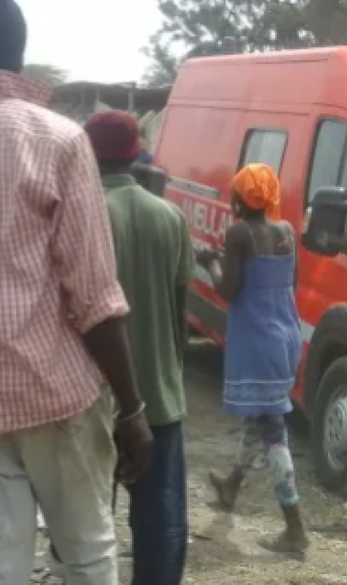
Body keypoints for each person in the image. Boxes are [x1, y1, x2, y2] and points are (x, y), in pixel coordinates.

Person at [0, 0, 153, 583]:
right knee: (87, 555)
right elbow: (94, 298)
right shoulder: (58, 140)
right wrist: (133, 407)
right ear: (19, 53)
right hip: (55, 396)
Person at [84, 111, 194, 585]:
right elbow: (179, 314)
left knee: (88, 526)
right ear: (135, 155)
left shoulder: (80, 218)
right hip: (159, 400)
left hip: (91, 399)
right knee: (160, 524)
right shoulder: (169, 217)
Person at [195, 163, 308, 557]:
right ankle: (232, 485)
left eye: (235, 194)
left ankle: (295, 529)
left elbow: (228, 290)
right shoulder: (288, 233)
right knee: (259, 416)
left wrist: (209, 261)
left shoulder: (239, 233)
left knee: (272, 429)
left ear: (242, 198)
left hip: (258, 339)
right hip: (286, 336)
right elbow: (288, 284)